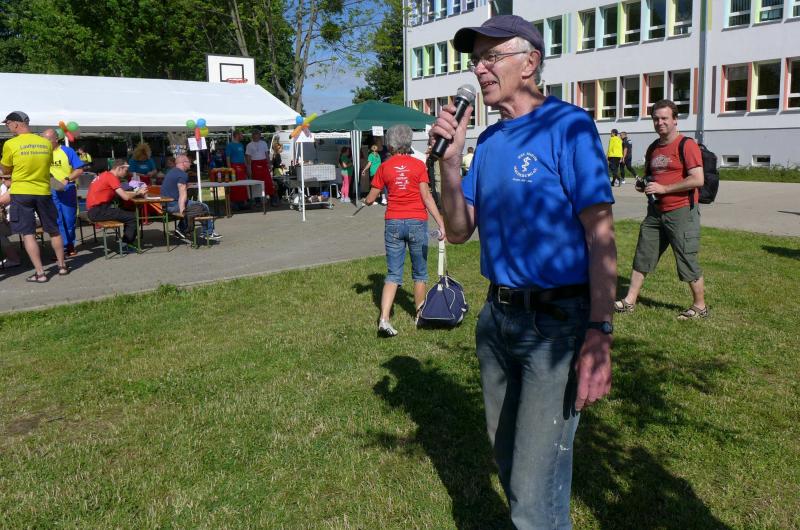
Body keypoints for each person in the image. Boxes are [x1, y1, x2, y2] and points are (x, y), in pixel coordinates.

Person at [432, 16, 617, 528]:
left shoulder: (569, 126)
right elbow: (459, 230)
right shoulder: (490, 142)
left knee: (535, 489)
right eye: (477, 60)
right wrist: (450, 164)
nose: (479, 69)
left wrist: (599, 332)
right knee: (508, 459)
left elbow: (600, 235)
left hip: (554, 326)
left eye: (491, 57)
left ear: (530, 62)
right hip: (497, 320)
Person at [615, 99, 707, 320]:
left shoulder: (687, 145)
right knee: (643, 254)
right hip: (655, 212)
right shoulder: (653, 148)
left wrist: (664, 188)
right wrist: (644, 185)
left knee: (686, 257)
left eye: (664, 118)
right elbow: (651, 176)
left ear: (675, 120)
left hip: (681, 211)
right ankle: (629, 301)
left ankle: (700, 306)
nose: (660, 122)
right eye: (656, 119)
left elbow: (698, 179)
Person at [363, 124, 446, 337]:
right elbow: (427, 197)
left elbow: (371, 198)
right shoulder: (418, 165)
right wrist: (440, 223)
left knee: (393, 273)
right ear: (408, 142)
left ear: (390, 144)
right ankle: (419, 315)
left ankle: (384, 319)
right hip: (417, 221)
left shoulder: (384, 166)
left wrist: (367, 200)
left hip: (393, 222)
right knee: (420, 272)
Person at [1, 111, 69, 282]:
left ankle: (40, 274)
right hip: (43, 191)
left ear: (16, 123)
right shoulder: (45, 143)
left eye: (7, 123)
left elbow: (5, 169)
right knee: (54, 230)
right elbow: (47, 166)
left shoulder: (10, 144)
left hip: (22, 192)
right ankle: (62, 267)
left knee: (28, 233)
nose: (7, 127)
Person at [86, 159, 149, 247]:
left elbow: (121, 193)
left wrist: (134, 193)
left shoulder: (105, 175)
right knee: (134, 217)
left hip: (94, 210)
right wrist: (138, 192)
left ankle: (126, 241)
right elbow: (125, 197)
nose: (126, 173)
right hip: (98, 211)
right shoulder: (112, 177)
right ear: (119, 168)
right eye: (125, 170)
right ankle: (126, 244)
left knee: (127, 212)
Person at [42, 128, 84, 256]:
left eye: (48, 140)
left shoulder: (67, 151)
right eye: (43, 140)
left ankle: (70, 243)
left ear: (56, 139)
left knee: (69, 220)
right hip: (50, 189)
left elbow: (79, 170)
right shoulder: (42, 153)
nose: (46, 142)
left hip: (67, 189)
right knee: (57, 220)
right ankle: (63, 248)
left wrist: (67, 179)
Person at [162, 155, 221, 242]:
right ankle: (208, 233)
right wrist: (182, 211)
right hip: (174, 205)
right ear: (183, 163)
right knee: (204, 207)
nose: (190, 164)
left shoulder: (172, 172)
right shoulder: (182, 174)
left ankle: (181, 229)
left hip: (166, 205)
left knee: (193, 206)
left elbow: (174, 189)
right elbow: (182, 194)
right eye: (189, 162)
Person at [246, 131, 277, 206]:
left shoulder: (264, 143)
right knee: (256, 182)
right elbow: (248, 157)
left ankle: (272, 199)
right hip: (254, 164)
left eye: (258, 135)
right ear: (252, 136)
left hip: (264, 164)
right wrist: (249, 168)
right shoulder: (249, 145)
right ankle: (257, 201)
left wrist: (269, 164)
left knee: (268, 182)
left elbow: (267, 154)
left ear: (260, 136)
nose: (256, 137)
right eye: (255, 135)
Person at [0, 174, 22, 268]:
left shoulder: (16, 188)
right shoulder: (4, 187)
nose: (3, 180)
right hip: (12, 220)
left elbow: (1, 201)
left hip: (22, 221)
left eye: (6, 178)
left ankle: (14, 259)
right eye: (1, 178)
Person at [225, 131, 250, 208]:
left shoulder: (241, 145)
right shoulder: (230, 145)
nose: (242, 136)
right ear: (236, 135)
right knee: (235, 185)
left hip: (242, 167)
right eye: (241, 134)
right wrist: (230, 169)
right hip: (234, 166)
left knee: (243, 184)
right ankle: (235, 203)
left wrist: (246, 166)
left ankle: (243, 202)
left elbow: (243, 156)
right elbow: (228, 157)